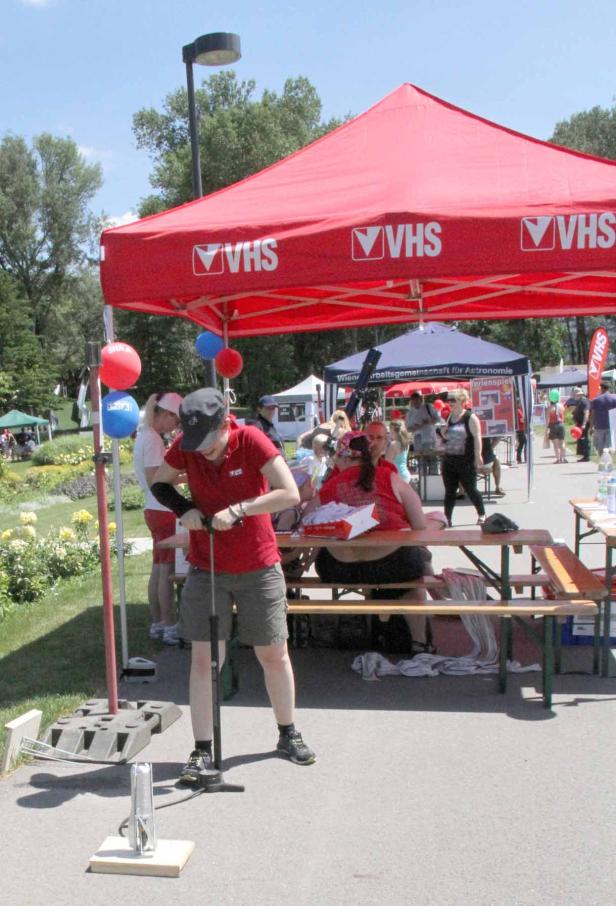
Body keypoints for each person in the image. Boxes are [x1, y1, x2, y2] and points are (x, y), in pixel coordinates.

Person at [150, 387, 315, 783]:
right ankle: (202, 750)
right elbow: (161, 483)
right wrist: (184, 508)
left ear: (226, 423)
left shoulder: (251, 439)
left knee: (273, 654)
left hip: (258, 563)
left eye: (209, 441)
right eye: (195, 443)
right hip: (207, 567)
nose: (202, 451)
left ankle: (287, 732)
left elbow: (288, 493)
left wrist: (241, 509)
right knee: (205, 662)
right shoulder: (189, 446)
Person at [310, 431, 446, 651]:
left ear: (344, 458)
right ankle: (419, 641)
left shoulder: (330, 486)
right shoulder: (389, 477)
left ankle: (379, 629)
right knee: (415, 572)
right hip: (393, 564)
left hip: (338, 569)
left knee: (408, 567)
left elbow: (307, 524)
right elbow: (419, 525)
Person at [133, 392, 183, 645]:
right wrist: (183, 476)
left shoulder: (145, 436)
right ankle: (169, 624)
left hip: (152, 507)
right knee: (167, 569)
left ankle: (158, 622)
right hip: (162, 508)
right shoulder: (153, 440)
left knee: (157, 568)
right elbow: (157, 480)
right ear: (164, 415)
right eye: (176, 420)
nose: (176, 426)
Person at [440, 390, 486, 526]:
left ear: (461, 400)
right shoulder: (449, 417)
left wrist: (478, 455)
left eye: (453, 400)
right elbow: (450, 437)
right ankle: (447, 519)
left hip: (466, 460)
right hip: (450, 459)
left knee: (471, 489)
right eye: (449, 400)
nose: (450, 403)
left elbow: (477, 437)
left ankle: (482, 513)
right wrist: (443, 434)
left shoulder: (470, 417)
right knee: (450, 491)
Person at [248, 394, 287, 459]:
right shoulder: (257, 425)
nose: (271, 411)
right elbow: (256, 449)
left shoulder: (269, 425)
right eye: (268, 408)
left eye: (273, 408)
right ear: (259, 409)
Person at [590, 381, 616, 457]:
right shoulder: (614, 398)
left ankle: (602, 460)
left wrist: (591, 427)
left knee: (600, 447)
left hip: (599, 426)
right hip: (611, 426)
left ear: (601, 388)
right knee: (609, 445)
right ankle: (609, 460)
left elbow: (592, 415)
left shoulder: (596, 400)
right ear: (609, 388)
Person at [571, 387, 591, 462]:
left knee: (584, 439)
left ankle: (586, 456)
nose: (574, 396)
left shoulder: (584, 402)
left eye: (575, 394)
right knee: (581, 439)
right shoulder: (579, 401)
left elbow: (586, 413)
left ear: (579, 395)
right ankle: (584, 455)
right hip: (579, 423)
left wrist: (584, 424)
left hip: (583, 424)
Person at [546, 394, 566, 463]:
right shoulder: (561, 406)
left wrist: (547, 428)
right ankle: (563, 458)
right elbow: (564, 414)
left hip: (553, 425)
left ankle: (558, 459)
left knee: (555, 443)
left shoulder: (549, 408)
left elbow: (547, 419)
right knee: (562, 442)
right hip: (561, 424)